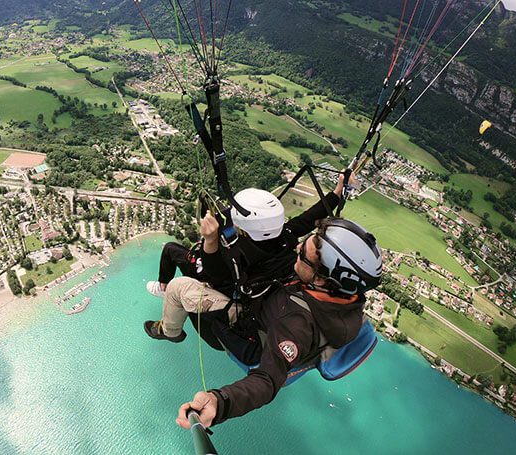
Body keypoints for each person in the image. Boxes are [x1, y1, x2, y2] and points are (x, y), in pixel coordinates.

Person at [175, 217, 382, 428]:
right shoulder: (347, 297)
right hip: (264, 317)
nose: (298, 247)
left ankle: (169, 330)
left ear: (321, 279)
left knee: (181, 287)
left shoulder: (295, 323)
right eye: (306, 241)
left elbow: (267, 380)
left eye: (303, 255)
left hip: (246, 339)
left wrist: (221, 403)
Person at [143, 175, 345, 343]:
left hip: (227, 294)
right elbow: (310, 217)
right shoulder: (286, 237)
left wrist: (210, 240)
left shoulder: (237, 254)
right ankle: (163, 288)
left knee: (174, 267)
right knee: (172, 251)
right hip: (249, 289)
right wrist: (337, 193)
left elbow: (214, 275)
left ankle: (170, 330)